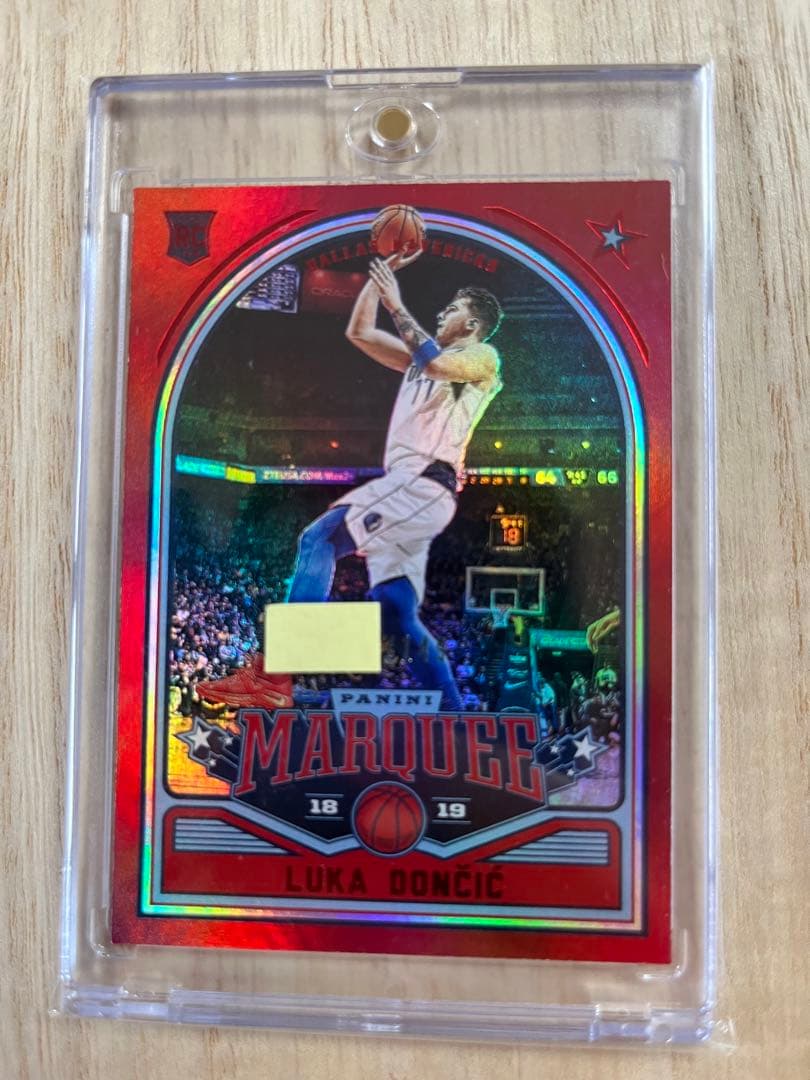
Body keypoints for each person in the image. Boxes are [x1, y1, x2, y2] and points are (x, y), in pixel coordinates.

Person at [284, 249, 504, 709]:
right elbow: (359, 332)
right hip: (412, 489)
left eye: (452, 308)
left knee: (319, 538)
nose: (441, 312)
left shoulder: (482, 356)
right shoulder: (418, 359)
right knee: (396, 609)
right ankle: (454, 714)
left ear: (471, 323)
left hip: (423, 482)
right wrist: (379, 281)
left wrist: (397, 303)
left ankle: (289, 676)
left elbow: (437, 365)